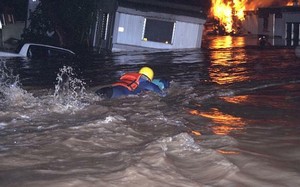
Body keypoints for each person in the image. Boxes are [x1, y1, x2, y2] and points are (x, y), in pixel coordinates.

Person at [95, 67, 169, 99]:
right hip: (112, 94)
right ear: (150, 78)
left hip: (106, 90)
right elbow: (158, 91)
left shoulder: (133, 78)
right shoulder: (145, 83)